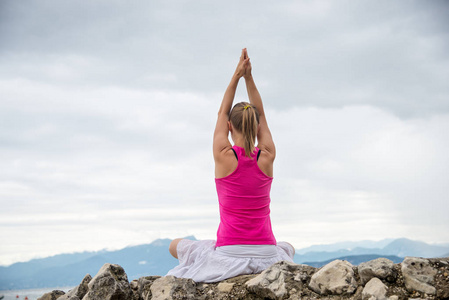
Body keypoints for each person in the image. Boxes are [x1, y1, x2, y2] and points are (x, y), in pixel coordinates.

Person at [166, 48, 295, 283]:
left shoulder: (223, 155)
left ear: (228, 127)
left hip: (229, 252)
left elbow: (221, 111)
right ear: (257, 127)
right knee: (288, 247)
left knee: (175, 245)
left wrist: (237, 75)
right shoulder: (267, 156)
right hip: (267, 252)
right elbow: (262, 114)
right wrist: (249, 77)